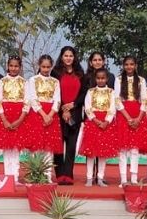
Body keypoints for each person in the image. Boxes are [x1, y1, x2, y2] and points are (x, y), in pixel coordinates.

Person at [0, 56, 29, 183]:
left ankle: (15, 177)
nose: (13, 68)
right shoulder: (2, 81)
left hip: (19, 116)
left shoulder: (24, 82)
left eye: (16, 66)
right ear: (8, 66)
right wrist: (4, 120)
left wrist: (20, 119)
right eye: (11, 66)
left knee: (16, 148)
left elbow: (27, 102)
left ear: (20, 67)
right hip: (5, 116)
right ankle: (7, 177)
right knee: (7, 148)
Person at [24, 55, 62, 179]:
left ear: (51, 66)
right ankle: (34, 174)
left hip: (52, 116)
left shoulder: (55, 81)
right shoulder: (32, 80)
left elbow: (57, 100)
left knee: (49, 147)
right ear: (39, 66)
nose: (46, 69)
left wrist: (50, 115)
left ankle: (47, 175)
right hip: (36, 114)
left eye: (48, 67)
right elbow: (32, 98)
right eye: (43, 67)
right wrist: (43, 114)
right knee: (36, 146)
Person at [51, 46, 85, 185]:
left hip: (75, 114)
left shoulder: (80, 73)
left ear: (74, 57)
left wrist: (73, 105)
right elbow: (53, 92)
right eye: (66, 55)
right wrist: (63, 109)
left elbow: (84, 93)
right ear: (62, 57)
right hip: (58, 113)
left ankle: (68, 175)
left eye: (71, 56)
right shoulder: (55, 72)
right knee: (58, 145)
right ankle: (59, 175)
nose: (68, 58)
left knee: (71, 146)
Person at [79, 68, 118, 187]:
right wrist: (95, 120)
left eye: (103, 78)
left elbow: (113, 108)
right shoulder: (90, 91)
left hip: (106, 124)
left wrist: (106, 121)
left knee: (102, 153)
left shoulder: (111, 92)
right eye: (98, 78)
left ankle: (100, 177)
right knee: (91, 153)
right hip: (93, 123)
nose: (100, 80)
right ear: (95, 79)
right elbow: (87, 107)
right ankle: (89, 178)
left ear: (107, 79)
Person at [114, 56, 147, 186]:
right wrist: (128, 118)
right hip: (123, 114)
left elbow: (144, 100)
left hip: (138, 113)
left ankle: (134, 178)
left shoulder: (142, 80)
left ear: (136, 65)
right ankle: (123, 179)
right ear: (123, 66)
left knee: (134, 149)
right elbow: (117, 100)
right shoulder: (118, 79)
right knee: (123, 149)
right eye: (126, 64)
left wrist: (138, 118)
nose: (129, 67)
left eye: (132, 64)